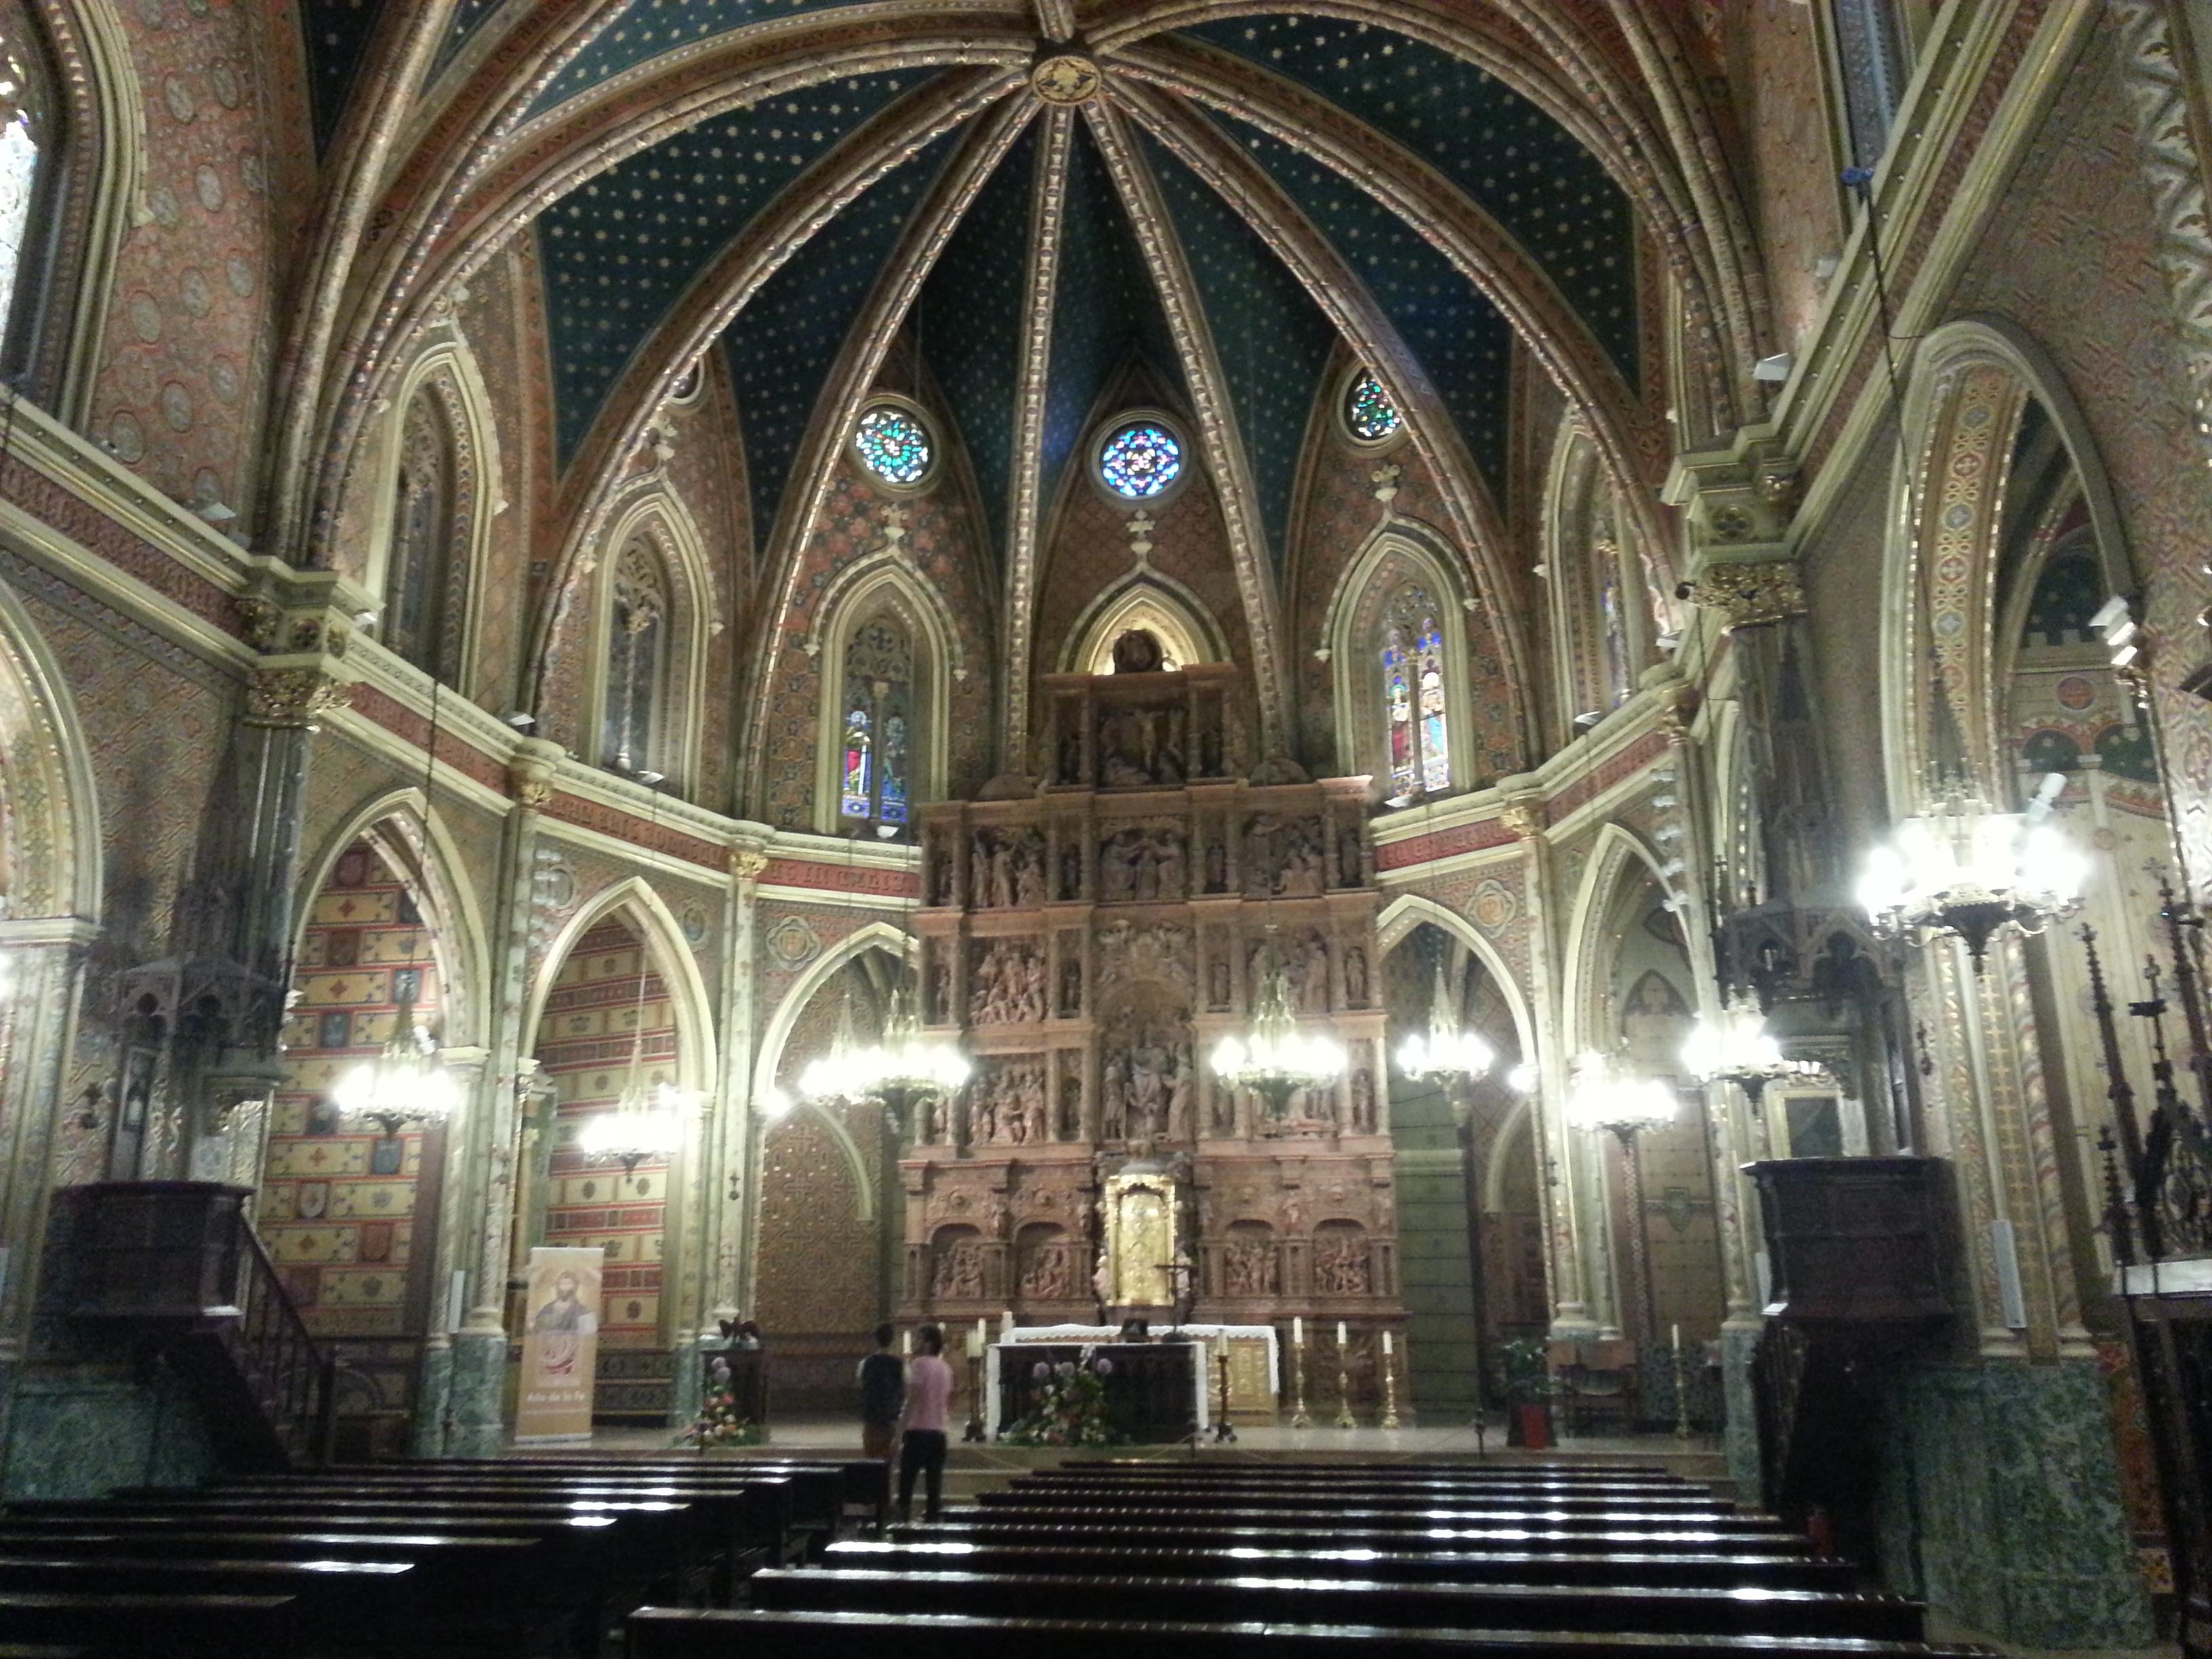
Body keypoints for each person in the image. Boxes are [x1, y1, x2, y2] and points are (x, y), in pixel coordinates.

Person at [897, 1324, 955, 1522]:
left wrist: (898, 1433)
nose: (916, 1343)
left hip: (918, 1432)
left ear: (929, 1344)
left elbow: (911, 1400)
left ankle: (902, 1525)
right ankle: (932, 1525)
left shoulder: (919, 1364)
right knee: (934, 1485)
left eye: (920, 1339)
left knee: (907, 1483)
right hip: (939, 1433)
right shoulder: (946, 1368)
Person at [856, 1323, 904, 1523]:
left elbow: (860, 1383)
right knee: (888, 1464)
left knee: (871, 1460)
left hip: (871, 1418)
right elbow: (903, 1388)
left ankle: (870, 1504)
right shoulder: (899, 1364)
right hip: (889, 1419)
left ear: (875, 1340)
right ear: (892, 1341)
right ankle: (885, 1503)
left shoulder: (866, 1363)